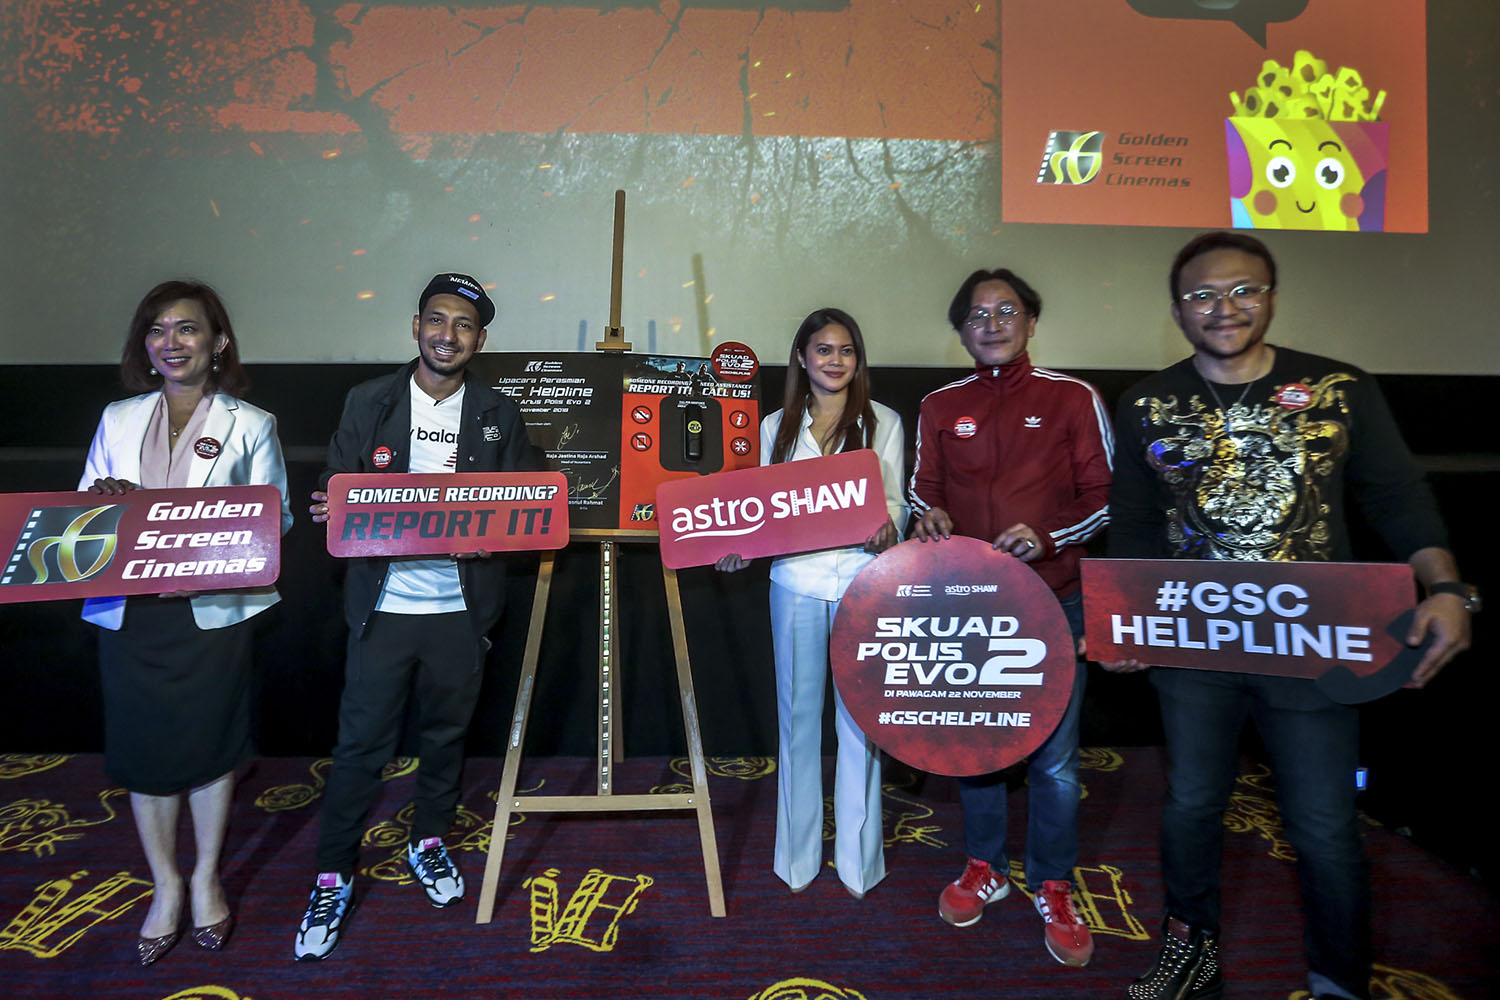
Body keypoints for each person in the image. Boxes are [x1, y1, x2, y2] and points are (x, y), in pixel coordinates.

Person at [1105, 232, 1473, 1000]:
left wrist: (1446, 587)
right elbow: (1134, 531)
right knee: (1192, 806)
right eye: (1203, 295)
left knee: (1323, 826)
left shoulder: (1340, 388)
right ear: (1178, 311)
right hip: (1193, 646)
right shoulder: (1145, 403)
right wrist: (1124, 626)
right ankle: (1190, 958)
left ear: (1272, 295)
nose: (1224, 307)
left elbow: (1397, 500)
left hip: (1314, 645)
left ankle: (1339, 978)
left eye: (1244, 289)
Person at [293, 272, 535, 961]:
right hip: (384, 607)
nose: (447, 335)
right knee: (360, 748)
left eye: (463, 325)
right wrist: (327, 505)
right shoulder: (368, 400)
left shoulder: (497, 412)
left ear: (479, 340)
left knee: (446, 737)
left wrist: (505, 531)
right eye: (437, 320)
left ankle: (428, 840)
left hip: (460, 609)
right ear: (415, 327)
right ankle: (334, 873)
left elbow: (526, 502)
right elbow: (335, 484)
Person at [81, 280, 293, 966]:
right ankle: (164, 884)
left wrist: (215, 521)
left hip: (211, 615)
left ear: (218, 343)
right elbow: (80, 516)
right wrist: (103, 502)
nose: (171, 342)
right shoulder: (116, 419)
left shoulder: (251, 424)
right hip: (132, 616)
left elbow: (278, 521)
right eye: (157, 330)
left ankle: (205, 877)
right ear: (145, 347)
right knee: (146, 753)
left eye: (188, 329)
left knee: (209, 749)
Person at [910, 268, 1112, 968]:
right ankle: (984, 867)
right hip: (970, 606)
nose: (991, 324)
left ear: (1031, 322)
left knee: (1055, 761)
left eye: (1007, 311)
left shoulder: (1070, 397)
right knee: (979, 748)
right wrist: (925, 514)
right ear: (960, 330)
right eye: (975, 315)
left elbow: (1106, 495)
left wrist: (1048, 535)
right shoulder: (940, 405)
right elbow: (922, 488)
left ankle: (1052, 882)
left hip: (1055, 599)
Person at [716, 307, 908, 898]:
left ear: (859, 360)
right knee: (798, 724)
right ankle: (796, 860)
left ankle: (858, 862)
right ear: (802, 357)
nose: (834, 360)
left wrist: (888, 530)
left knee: (861, 726)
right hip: (795, 584)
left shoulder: (885, 423)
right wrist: (740, 549)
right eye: (822, 350)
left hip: (862, 585)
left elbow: (897, 504)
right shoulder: (774, 426)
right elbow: (757, 513)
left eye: (846, 350)